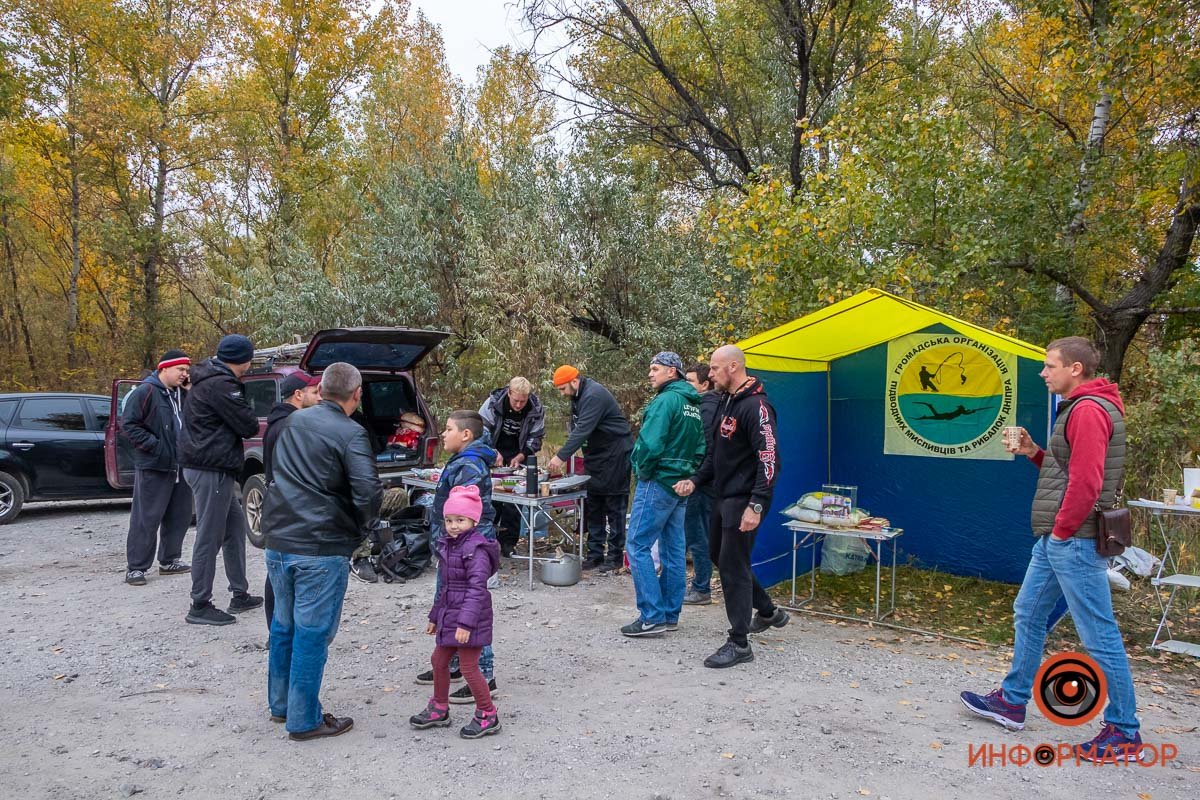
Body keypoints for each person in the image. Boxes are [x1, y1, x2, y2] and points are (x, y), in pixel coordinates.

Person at [960, 337, 1143, 762]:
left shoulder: (1089, 411)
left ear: (1075, 369)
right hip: (1059, 537)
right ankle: (1012, 700)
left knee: (1098, 634)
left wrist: (1061, 531)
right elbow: (1066, 470)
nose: (1043, 373)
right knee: (1029, 612)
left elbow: (1087, 483)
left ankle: (1124, 731)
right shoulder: (1079, 408)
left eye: (1049, 366)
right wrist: (1033, 453)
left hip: (1072, 539)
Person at [260, 362, 383, 741]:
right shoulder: (351, 433)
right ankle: (303, 719)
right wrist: (362, 529)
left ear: (323, 389)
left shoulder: (293, 422)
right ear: (356, 394)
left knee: (284, 626)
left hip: (279, 540)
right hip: (319, 544)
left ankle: (281, 705)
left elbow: (276, 473)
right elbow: (368, 492)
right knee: (312, 632)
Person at [675, 345, 788, 668]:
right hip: (723, 496)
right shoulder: (727, 401)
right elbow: (716, 454)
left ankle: (739, 643)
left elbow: (769, 460)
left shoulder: (757, 407)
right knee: (717, 555)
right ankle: (767, 611)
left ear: (734, 367)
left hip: (745, 499)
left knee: (733, 566)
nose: (710, 375)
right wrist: (696, 480)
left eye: (714, 368)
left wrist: (757, 504)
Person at [414, 410, 501, 704]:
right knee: (449, 598)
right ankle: (451, 664)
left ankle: (483, 674)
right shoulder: (461, 461)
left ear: (466, 435)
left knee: (468, 604)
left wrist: (456, 542)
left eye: (449, 429)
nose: (443, 434)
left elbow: (465, 513)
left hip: (465, 548)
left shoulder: (470, 465)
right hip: (452, 545)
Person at [178, 334, 263, 626]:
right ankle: (200, 603)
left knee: (235, 527)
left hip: (208, 465)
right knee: (209, 534)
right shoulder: (221, 385)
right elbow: (248, 424)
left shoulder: (207, 378)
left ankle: (239, 593)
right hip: (210, 467)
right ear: (243, 359)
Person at [409, 484, 503, 739]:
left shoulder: (477, 551)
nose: (453, 525)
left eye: (460, 520)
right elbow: (447, 587)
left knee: (469, 667)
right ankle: (440, 706)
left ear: (473, 520)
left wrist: (466, 624)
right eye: (449, 520)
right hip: (451, 616)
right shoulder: (449, 545)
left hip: (470, 619)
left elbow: (476, 590)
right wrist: (434, 616)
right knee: (439, 661)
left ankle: (488, 713)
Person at [621, 353, 705, 637]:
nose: (650, 374)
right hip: (680, 485)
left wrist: (641, 470)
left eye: (654, 369)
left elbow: (650, 444)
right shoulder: (693, 405)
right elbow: (700, 448)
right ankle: (670, 614)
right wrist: (688, 474)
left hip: (657, 481)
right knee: (673, 549)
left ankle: (651, 616)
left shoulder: (665, 401)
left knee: (637, 545)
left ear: (672, 372)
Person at [547, 365, 633, 573]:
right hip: (595, 456)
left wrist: (560, 456)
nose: (562, 394)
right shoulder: (578, 397)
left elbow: (583, 430)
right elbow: (577, 428)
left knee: (614, 506)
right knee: (593, 504)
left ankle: (614, 557)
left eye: (563, 389)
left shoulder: (594, 395)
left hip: (615, 454)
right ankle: (594, 554)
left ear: (574, 381)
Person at [121, 349, 194, 586]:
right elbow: (129, 425)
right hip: (155, 465)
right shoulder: (146, 391)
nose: (184, 374)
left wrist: (191, 391)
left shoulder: (182, 394)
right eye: (180, 370)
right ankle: (136, 567)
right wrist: (155, 446)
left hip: (182, 465)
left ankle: (170, 559)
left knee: (179, 515)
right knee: (146, 517)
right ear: (164, 369)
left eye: (186, 370)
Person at [260, 370, 322, 630]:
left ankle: (280, 630)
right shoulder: (289, 426)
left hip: (283, 508)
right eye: (315, 392)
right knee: (282, 573)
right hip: (289, 508)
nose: (320, 398)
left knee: (280, 570)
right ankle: (279, 631)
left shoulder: (283, 422)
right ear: (298, 394)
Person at [478, 376, 546, 557]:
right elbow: (481, 430)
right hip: (493, 451)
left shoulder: (536, 408)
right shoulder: (493, 403)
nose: (518, 405)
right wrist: (493, 452)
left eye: (522, 401)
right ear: (509, 392)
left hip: (519, 453)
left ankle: (508, 543)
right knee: (491, 495)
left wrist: (523, 454)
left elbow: (537, 437)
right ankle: (487, 539)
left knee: (515, 499)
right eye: (515, 400)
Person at [683, 363, 721, 605]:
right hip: (709, 479)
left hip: (702, 481)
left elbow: (706, 446)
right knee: (702, 534)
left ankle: (701, 588)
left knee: (697, 534)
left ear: (704, 384)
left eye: (690, 381)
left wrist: (694, 477)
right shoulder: (714, 403)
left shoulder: (705, 407)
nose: (686, 385)